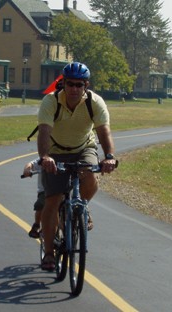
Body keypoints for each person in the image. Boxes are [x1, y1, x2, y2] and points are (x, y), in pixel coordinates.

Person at [37, 61, 117, 271]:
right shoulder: (50, 101)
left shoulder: (95, 102)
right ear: (63, 83)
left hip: (83, 148)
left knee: (90, 175)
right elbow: (44, 131)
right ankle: (48, 253)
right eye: (69, 84)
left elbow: (104, 131)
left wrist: (109, 156)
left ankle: (82, 206)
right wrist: (45, 156)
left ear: (86, 85)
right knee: (52, 200)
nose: (74, 89)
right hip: (55, 151)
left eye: (78, 85)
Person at [22, 159, 44, 238]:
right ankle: (37, 225)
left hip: (63, 190)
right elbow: (31, 164)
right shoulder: (44, 159)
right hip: (45, 190)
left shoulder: (67, 157)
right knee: (40, 204)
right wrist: (27, 170)